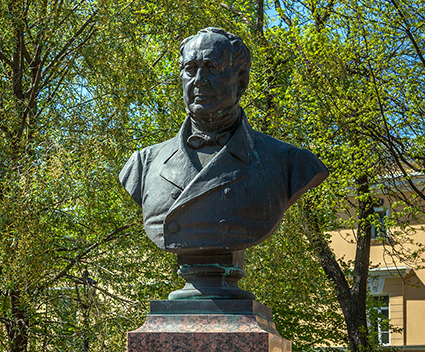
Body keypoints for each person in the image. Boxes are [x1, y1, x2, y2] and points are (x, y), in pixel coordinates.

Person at [119, 27, 328, 299]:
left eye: (212, 67)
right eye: (189, 68)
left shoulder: (289, 164)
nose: (199, 80)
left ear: (241, 81)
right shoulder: (144, 164)